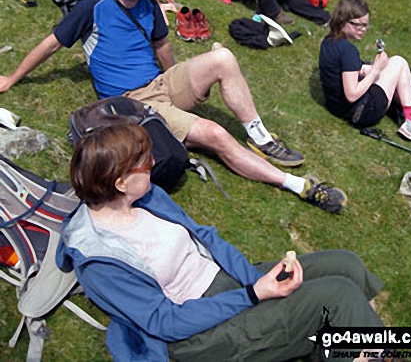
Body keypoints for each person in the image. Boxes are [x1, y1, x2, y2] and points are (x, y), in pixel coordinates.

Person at [0, 0, 346, 213]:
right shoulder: (94, 8)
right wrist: (12, 78)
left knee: (223, 57)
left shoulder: (150, 8)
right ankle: (297, 185)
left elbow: (163, 47)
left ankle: (261, 137)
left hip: (161, 84)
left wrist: (182, 80)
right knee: (214, 133)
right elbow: (51, 44)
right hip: (134, 100)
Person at [57, 121, 385, 362]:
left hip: (225, 284)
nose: (154, 163)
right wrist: (254, 295)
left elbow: (205, 237)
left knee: (346, 265)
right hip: (196, 335)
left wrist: (257, 282)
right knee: (337, 296)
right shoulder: (100, 263)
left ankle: (359, 349)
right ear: (120, 182)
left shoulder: (146, 197)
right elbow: (165, 323)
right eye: (145, 162)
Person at [319, 0, 411, 146]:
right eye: (359, 25)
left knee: (394, 67)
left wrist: (376, 68)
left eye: (366, 25)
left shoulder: (329, 41)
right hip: (362, 112)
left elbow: (347, 70)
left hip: (337, 108)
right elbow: (351, 94)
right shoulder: (348, 50)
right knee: (399, 62)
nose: (363, 29)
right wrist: (376, 69)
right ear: (343, 21)